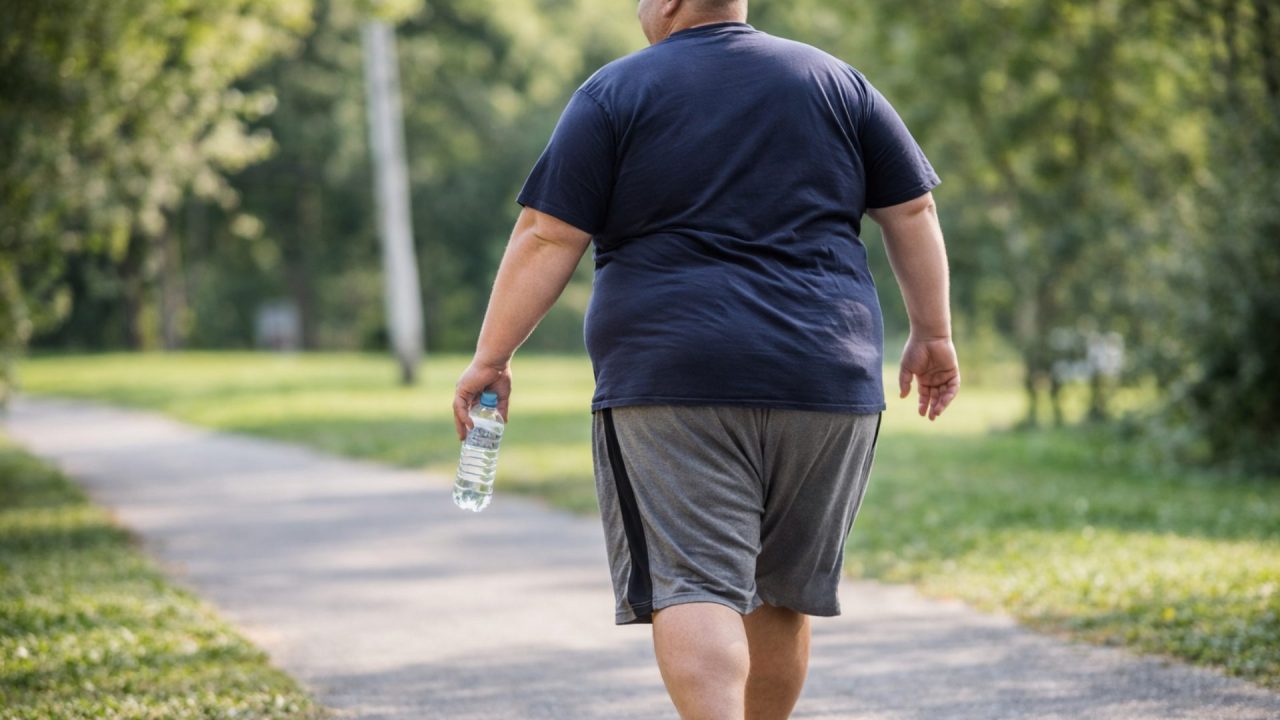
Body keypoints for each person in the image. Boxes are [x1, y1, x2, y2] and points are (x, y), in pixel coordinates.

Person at [451, 0, 960, 717]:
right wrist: (932, 334)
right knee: (779, 592)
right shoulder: (836, 82)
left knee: (693, 583)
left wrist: (492, 357)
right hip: (826, 374)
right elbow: (913, 209)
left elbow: (547, 234)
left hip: (674, 377)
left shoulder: (616, 91)